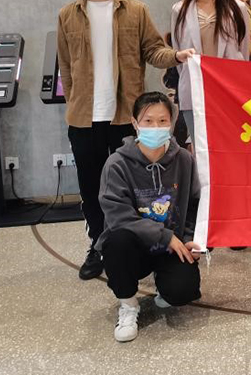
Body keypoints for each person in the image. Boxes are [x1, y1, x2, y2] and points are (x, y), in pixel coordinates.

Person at [57, 0, 191, 281]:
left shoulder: (135, 10)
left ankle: (134, 244)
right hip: (84, 120)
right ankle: (97, 246)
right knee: (91, 189)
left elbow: (154, 51)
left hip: (124, 118)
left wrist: (176, 56)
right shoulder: (67, 16)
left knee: (131, 188)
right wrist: (75, 103)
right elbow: (66, 68)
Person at [96, 91, 203, 342]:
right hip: (135, 247)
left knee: (182, 292)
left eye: (162, 121)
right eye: (148, 121)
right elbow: (119, 217)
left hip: (172, 246)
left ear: (172, 123)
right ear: (135, 123)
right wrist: (164, 236)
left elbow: (195, 205)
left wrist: (192, 238)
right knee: (116, 242)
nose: (156, 127)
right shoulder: (117, 164)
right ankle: (128, 305)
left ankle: (165, 284)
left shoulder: (184, 160)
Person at [171, 0, 250, 143]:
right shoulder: (179, 10)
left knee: (229, 148)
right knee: (201, 151)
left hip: (229, 92)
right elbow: (179, 56)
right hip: (195, 93)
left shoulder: (238, 7)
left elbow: (243, 52)